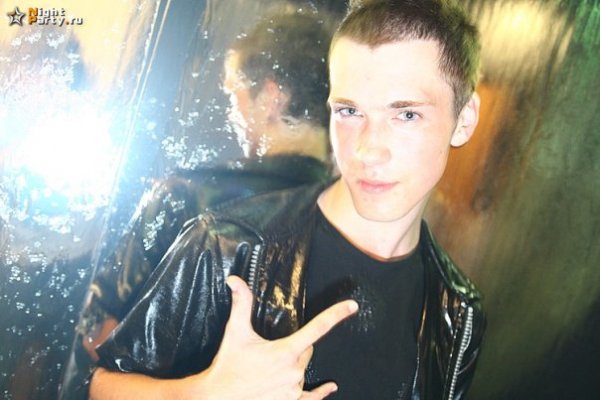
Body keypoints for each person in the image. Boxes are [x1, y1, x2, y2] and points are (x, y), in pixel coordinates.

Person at [90, 0, 486, 399]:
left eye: (406, 115)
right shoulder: (227, 246)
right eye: (349, 111)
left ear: (464, 119)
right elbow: (98, 387)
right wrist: (201, 394)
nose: (367, 149)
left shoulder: (458, 311)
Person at [59, 12, 335, 399]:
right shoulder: (358, 223)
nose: (233, 112)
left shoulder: (188, 199)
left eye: (235, 94)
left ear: (272, 97)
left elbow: (96, 331)